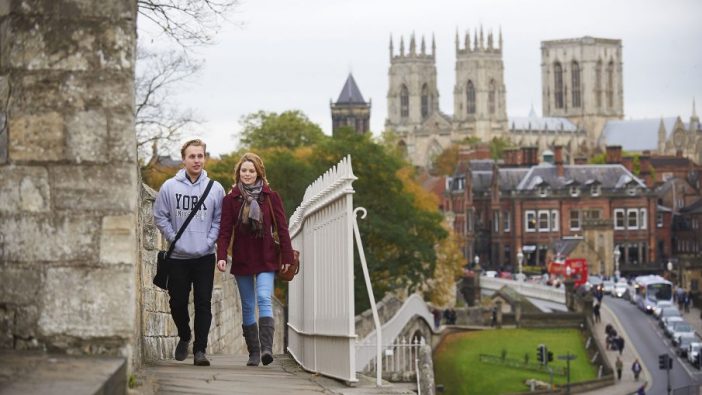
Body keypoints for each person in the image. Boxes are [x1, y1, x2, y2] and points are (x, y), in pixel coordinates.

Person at [216, 152, 294, 367]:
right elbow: (224, 231)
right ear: (238, 173)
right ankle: (254, 352)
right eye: (244, 170)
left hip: (266, 256)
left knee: (263, 297)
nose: (247, 174)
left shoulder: (271, 197)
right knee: (248, 306)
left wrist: (287, 256)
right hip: (242, 257)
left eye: (251, 170)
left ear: (259, 172)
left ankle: (267, 349)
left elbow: (283, 229)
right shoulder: (230, 199)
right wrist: (221, 256)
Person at [154, 139, 225, 366]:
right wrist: (175, 239)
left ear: (205, 158)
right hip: (178, 258)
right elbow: (160, 216)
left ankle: (200, 350)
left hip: (204, 256)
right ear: (183, 159)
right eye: (192, 156)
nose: (197, 160)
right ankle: (185, 336)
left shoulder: (215, 188)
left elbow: (219, 219)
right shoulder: (169, 187)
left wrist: (209, 242)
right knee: (177, 303)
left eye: (200, 156)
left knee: (204, 302)